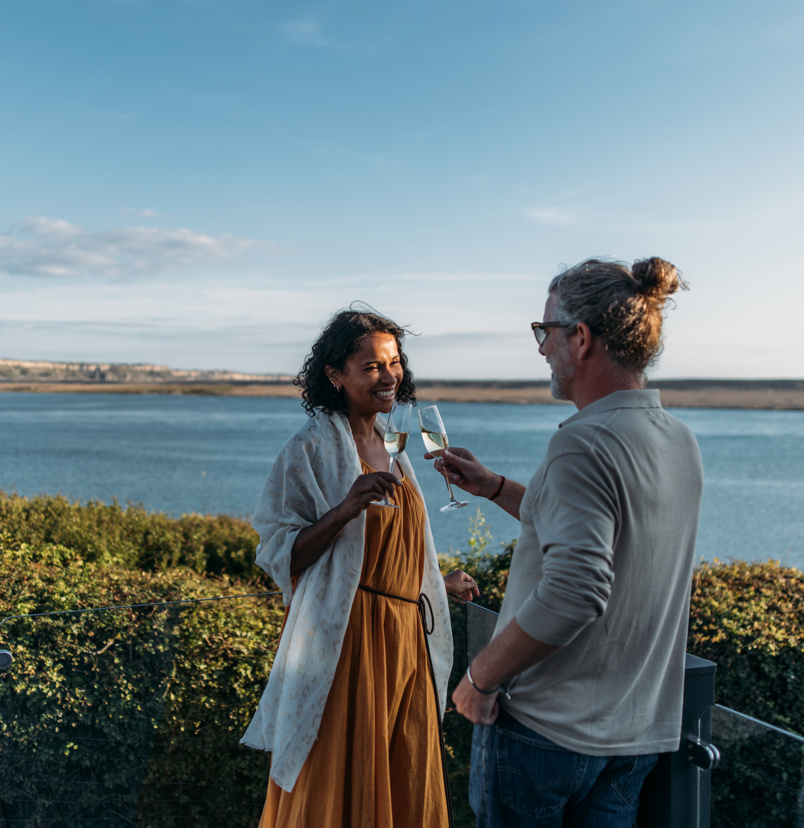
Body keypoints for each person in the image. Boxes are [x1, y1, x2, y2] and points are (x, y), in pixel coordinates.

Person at [439, 258, 704, 827]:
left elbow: (575, 593)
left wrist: (480, 677)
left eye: (545, 332)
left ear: (580, 338)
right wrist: (495, 488)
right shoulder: (679, 440)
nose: (541, 350)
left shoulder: (582, 444)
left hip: (546, 735)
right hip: (636, 736)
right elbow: (604, 529)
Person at [241, 308, 478, 828]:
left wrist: (439, 581)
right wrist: (344, 508)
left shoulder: (396, 448)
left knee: (405, 775)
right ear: (335, 375)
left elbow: (396, 543)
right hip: (349, 641)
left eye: (393, 363)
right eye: (371, 366)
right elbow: (280, 554)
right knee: (342, 783)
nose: (389, 376)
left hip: (405, 641)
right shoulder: (310, 449)